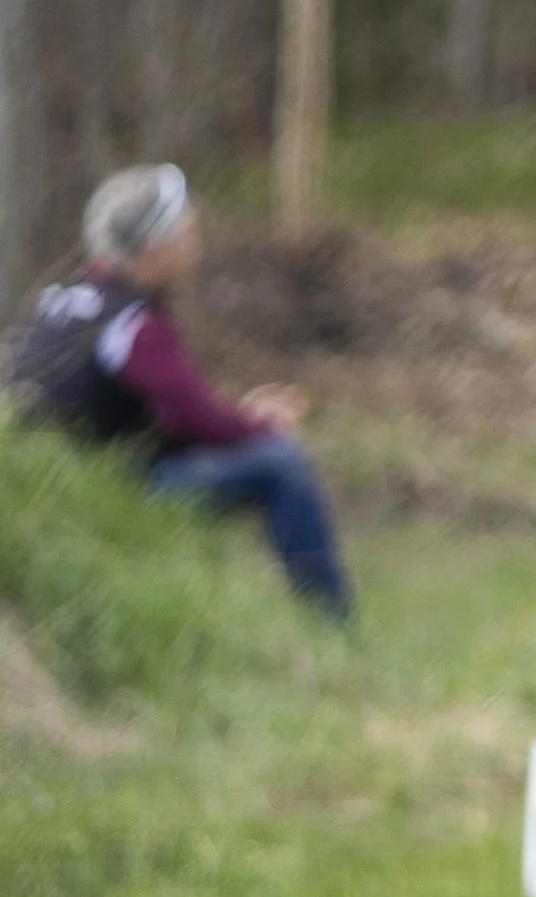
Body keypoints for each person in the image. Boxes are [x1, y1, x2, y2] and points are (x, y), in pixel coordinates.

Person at [8, 165, 353, 617]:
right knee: (281, 463)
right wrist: (259, 422)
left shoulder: (63, 297)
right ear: (154, 248)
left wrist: (235, 420)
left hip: (60, 479)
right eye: (187, 233)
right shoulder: (133, 323)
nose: (195, 246)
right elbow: (201, 420)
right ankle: (331, 624)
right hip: (114, 485)